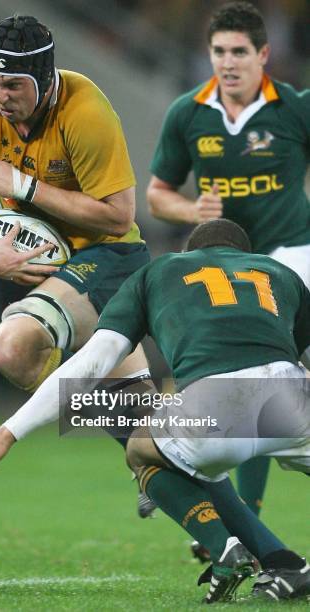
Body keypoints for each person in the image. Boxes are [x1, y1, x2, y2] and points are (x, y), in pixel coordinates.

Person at [0, 219, 310, 603]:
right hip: (291, 398)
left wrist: (8, 432)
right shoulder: (278, 274)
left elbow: (91, 364)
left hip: (214, 404)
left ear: (190, 253)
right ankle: (283, 563)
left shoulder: (159, 271)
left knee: (140, 449)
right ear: (244, 256)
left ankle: (224, 550)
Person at [0, 15, 154, 506]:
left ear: (45, 77)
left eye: (13, 85)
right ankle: (202, 502)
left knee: (11, 348)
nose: (1, 95)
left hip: (109, 257)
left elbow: (118, 216)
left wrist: (24, 185)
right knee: (149, 438)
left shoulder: (84, 107)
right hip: (50, 268)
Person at [146, 0, 310, 521]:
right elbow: (156, 195)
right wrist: (192, 208)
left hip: (291, 254)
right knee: (228, 377)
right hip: (223, 264)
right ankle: (207, 485)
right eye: (219, 51)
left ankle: (235, 505)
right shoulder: (187, 114)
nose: (228, 62)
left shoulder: (294, 109)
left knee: (267, 379)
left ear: (263, 54)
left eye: (239, 51)